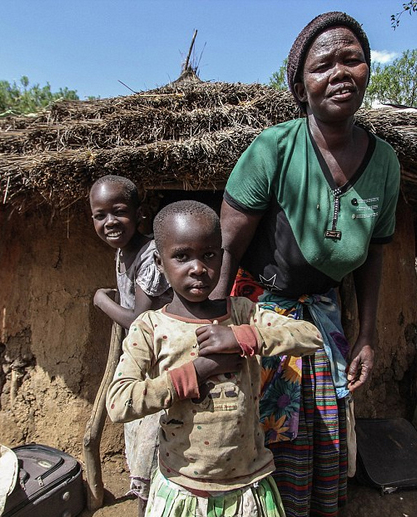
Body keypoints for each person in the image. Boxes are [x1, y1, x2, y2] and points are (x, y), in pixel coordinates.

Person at [215, 12, 401, 517]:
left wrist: (366, 333)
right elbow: (226, 252)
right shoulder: (272, 149)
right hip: (261, 316)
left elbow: (374, 254)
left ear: (367, 69)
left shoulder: (384, 163)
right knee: (258, 436)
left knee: (321, 439)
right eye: (323, 65)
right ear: (300, 87)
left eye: (352, 59)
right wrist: (215, 334)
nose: (340, 72)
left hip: (323, 322)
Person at [106, 200, 323, 517]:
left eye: (209, 255)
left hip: (248, 486)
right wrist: (197, 371)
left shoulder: (242, 313)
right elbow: (119, 402)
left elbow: (310, 336)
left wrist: (242, 337)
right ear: (159, 261)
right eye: (181, 256)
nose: (197, 267)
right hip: (184, 488)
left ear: (222, 257)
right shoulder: (151, 328)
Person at [89, 175, 172, 515]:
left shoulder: (151, 255)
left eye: (119, 212)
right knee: (142, 447)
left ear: (141, 213)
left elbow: (141, 319)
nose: (110, 222)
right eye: (100, 215)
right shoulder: (124, 253)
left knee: (155, 451)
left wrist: (101, 301)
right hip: (141, 365)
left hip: (162, 366)